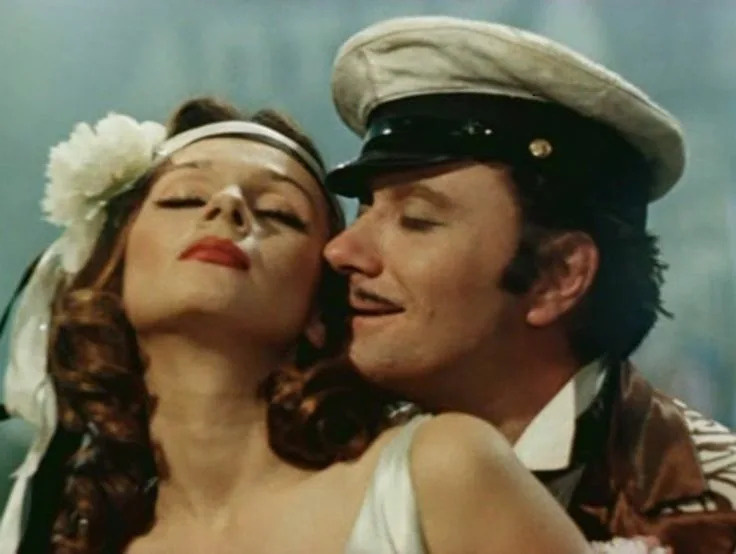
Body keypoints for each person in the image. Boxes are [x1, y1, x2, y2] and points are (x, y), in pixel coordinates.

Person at [0, 97, 590, 553]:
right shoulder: (62, 534)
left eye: (279, 213)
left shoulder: (437, 473)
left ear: (319, 303)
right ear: (112, 269)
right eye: (184, 199)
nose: (227, 206)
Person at [323, 15, 736, 553]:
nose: (343, 250)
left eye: (417, 221)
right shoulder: (325, 459)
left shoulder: (707, 512)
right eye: (364, 210)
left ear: (558, 275)